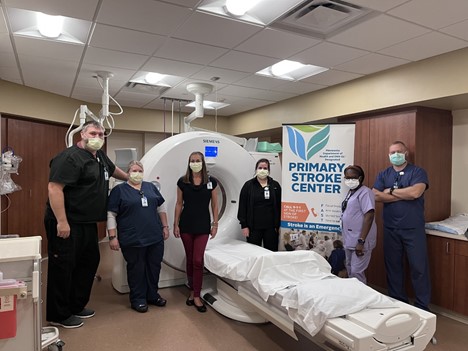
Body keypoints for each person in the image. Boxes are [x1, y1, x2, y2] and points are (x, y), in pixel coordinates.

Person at [44, 121, 128, 328]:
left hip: (88, 222)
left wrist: (132, 180)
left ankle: (76, 305)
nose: (98, 137)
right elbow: (54, 188)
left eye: (101, 134)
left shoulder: (98, 155)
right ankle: (60, 314)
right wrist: (62, 222)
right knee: (63, 267)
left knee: (88, 263)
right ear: (82, 134)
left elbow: (113, 169)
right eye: (93, 133)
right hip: (67, 222)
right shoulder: (69, 157)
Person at [373, 141, 431, 311]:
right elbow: (375, 195)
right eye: (392, 152)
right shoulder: (384, 174)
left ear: (405, 153)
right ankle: (398, 304)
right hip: (391, 228)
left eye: (398, 151)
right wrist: (403, 194)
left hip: (413, 228)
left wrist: (389, 192)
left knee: (419, 268)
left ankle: (422, 306)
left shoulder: (418, 172)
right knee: (393, 267)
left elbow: (416, 192)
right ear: (388, 154)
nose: (395, 155)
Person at [107, 161, 169, 313]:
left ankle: (152, 295)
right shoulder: (119, 190)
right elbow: (111, 214)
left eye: (140, 170)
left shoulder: (150, 187)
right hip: (133, 238)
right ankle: (138, 299)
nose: (137, 173)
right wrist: (112, 237)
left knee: (154, 267)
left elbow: (161, 207)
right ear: (127, 173)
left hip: (154, 236)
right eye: (134, 170)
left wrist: (165, 226)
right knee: (137, 269)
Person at [173, 151, 218, 313]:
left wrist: (215, 224)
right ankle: (192, 291)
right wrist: (175, 224)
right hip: (186, 224)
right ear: (189, 163)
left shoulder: (211, 182)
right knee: (190, 259)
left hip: (203, 226)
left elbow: (214, 205)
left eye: (198, 160)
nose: (195, 163)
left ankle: (197, 295)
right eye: (192, 160)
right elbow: (179, 204)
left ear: (203, 162)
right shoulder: (183, 182)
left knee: (198, 260)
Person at [341, 165, 377, 284]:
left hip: (360, 241)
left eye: (353, 177)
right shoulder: (351, 192)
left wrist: (361, 241)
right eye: (347, 178)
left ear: (360, 178)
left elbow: (369, 215)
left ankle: (362, 300)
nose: (349, 180)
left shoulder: (365, 192)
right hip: (350, 240)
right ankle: (354, 297)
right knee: (350, 270)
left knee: (357, 272)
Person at [238, 158, 282, 251]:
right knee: (254, 253)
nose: (262, 170)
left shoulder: (275, 185)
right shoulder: (248, 185)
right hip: (253, 227)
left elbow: (279, 206)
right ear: (256, 169)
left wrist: (278, 226)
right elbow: (242, 206)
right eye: (260, 168)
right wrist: (244, 226)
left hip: (271, 227)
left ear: (269, 170)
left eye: (265, 168)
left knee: (271, 252)